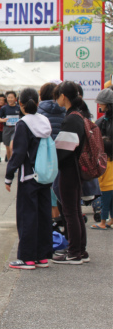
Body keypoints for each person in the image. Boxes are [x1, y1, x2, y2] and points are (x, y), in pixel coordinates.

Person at [4, 88, 54, 270]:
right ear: (38, 102)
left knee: (27, 216)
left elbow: (18, 154)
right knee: (43, 215)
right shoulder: (45, 121)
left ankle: (27, 258)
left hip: (28, 176)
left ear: (20, 103)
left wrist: (9, 176)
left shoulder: (23, 124)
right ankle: (42, 256)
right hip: (45, 175)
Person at [52, 81, 89, 264]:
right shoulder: (79, 114)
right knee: (75, 210)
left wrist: (51, 162)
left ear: (63, 96)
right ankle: (80, 249)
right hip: (75, 168)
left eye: (57, 95)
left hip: (69, 169)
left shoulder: (72, 118)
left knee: (70, 212)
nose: (56, 99)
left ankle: (74, 252)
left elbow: (64, 150)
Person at [37, 83, 66, 222]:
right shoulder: (64, 110)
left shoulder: (39, 112)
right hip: (63, 154)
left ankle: (51, 227)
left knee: (47, 190)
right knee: (60, 190)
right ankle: (60, 223)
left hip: (45, 156)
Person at [92, 136, 112, 230]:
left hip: (105, 187)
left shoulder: (103, 162)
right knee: (112, 205)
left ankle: (103, 222)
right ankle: (111, 220)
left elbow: (101, 176)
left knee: (105, 205)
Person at [0, 91, 20, 163]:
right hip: (6, 129)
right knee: (8, 149)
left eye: (12, 97)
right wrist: (2, 120)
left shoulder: (19, 108)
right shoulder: (4, 108)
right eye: (8, 97)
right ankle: (10, 163)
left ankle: (13, 164)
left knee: (12, 147)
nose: (10, 99)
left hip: (16, 129)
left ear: (15, 98)